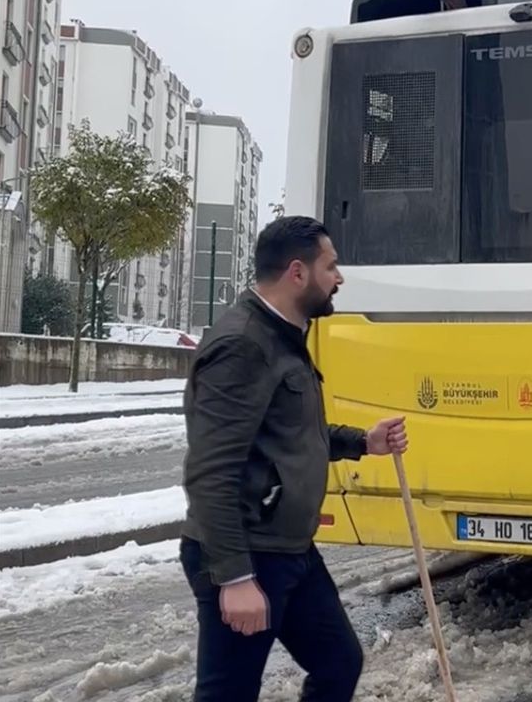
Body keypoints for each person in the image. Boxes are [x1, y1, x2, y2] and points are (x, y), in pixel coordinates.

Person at [180, 216, 409, 701]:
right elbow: (210, 472)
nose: (340, 279)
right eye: (332, 267)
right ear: (297, 273)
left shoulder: (283, 335)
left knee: (339, 663)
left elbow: (291, 433)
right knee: (227, 694)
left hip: (290, 551)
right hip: (247, 553)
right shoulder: (243, 345)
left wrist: (363, 442)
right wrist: (235, 578)